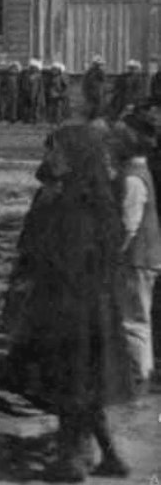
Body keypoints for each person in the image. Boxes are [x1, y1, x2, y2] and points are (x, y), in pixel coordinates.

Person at [5, 123, 136, 481]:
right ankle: (109, 455)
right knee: (85, 384)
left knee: (69, 382)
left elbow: (59, 257)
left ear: (76, 157)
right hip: (94, 309)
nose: (50, 157)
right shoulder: (98, 198)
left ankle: (71, 459)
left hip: (67, 308)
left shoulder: (72, 205)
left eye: (56, 151)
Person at [110, 115, 160, 394]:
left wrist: (114, 253)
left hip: (136, 258)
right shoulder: (140, 172)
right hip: (146, 255)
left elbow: (129, 225)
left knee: (132, 319)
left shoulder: (132, 178)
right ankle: (144, 370)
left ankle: (137, 377)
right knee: (140, 318)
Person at [81, 56, 107, 120]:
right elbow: (86, 83)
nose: (100, 66)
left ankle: (94, 118)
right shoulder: (90, 72)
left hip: (97, 91)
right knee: (93, 105)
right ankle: (91, 118)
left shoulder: (99, 72)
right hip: (92, 91)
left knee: (97, 105)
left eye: (100, 65)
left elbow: (103, 82)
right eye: (99, 64)